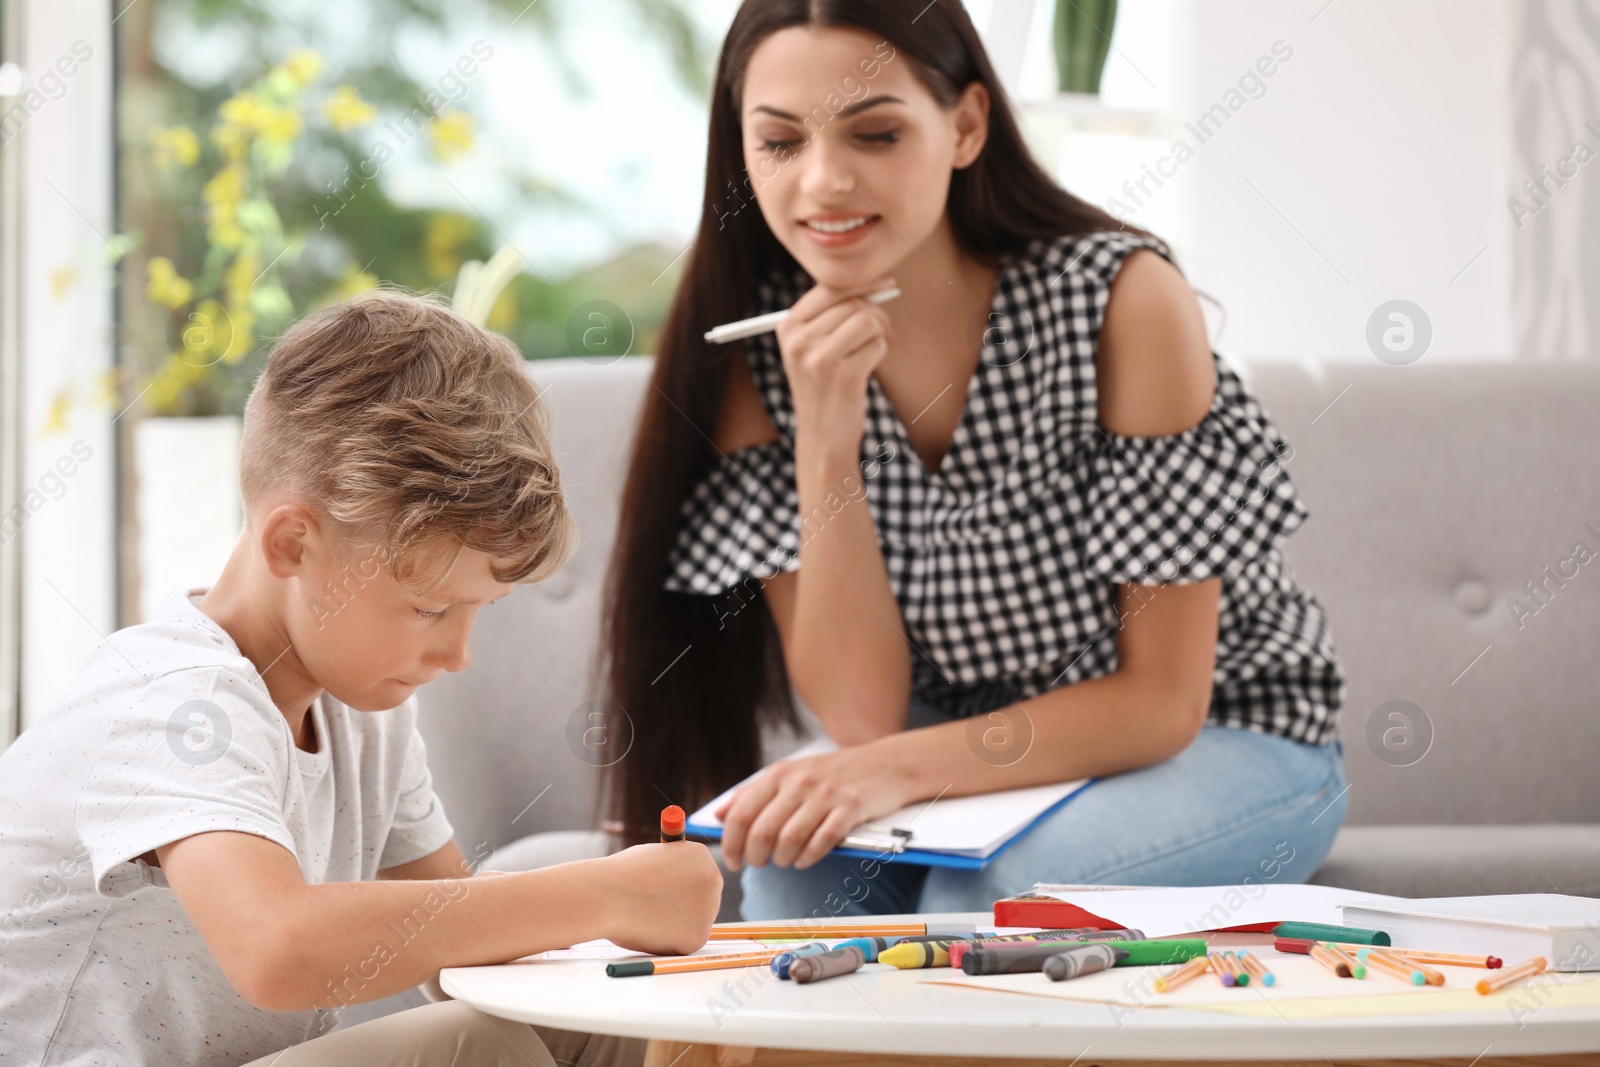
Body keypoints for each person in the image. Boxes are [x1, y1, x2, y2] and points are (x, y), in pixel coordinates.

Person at [600, 0, 1349, 920]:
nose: (824, 182)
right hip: (954, 752)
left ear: (965, 126)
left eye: (875, 133)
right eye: (781, 144)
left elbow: (1161, 703)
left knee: (990, 892)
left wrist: (890, 770)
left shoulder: (1120, 301)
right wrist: (827, 433)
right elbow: (864, 717)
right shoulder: (759, 357)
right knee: (796, 875)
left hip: (1226, 736)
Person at [0, 290, 722, 1066]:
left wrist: (641, 937)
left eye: (476, 610)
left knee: (615, 1024)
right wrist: (602, 893)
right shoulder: (176, 698)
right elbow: (276, 947)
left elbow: (462, 949)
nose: (457, 656)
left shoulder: (365, 714)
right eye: (428, 608)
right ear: (291, 544)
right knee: (475, 1048)